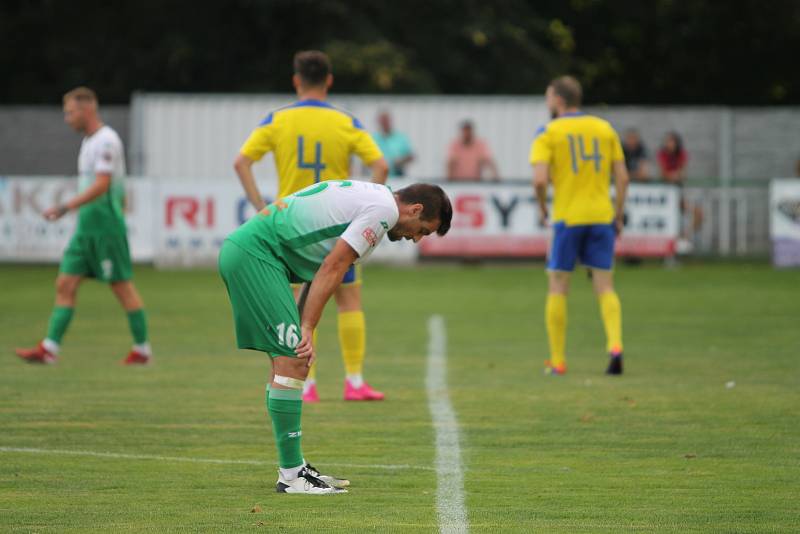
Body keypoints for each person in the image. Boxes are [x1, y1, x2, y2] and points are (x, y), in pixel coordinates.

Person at [219, 180, 452, 494]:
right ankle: (291, 476)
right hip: (256, 256)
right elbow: (333, 266)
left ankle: (294, 467)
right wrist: (307, 328)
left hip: (257, 254)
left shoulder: (374, 197)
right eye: (422, 229)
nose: (415, 239)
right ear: (415, 209)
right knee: (292, 360)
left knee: (288, 362)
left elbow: (319, 273)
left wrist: (304, 324)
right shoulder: (382, 210)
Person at [233, 51, 390, 403]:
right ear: (329, 80)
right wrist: (367, 205)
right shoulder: (346, 123)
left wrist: (261, 207)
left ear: (296, 80)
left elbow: (241, 162)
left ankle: (309, 385)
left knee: (296, 307)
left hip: (291, 228)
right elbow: (380, 165)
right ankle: (355, 381)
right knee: (349, 301)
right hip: (337, 227)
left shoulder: (277, 120)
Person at [15, 87, 151, 365]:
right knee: (65, 283)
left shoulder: (106, 140)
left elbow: (103, 185)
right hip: (86, 229)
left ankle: (142, 350)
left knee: (121, 286)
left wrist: (66, 207)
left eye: (70, 112)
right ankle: (49, 349)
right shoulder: (89, 141)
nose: (67, 118)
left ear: (87, 109)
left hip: (105, 227)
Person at [530, 76, 630, 376]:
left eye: (548, 97)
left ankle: (558, 361)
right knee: (605, 285)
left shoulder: (548, 131)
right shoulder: (604, 128)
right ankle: (615, 346)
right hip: (601, 216)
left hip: (568, 218)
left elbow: (539, 179)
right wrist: (619, 214)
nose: (547, 102)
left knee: (558, 286)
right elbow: (623, 178)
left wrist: (543, 206)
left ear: (558, 100)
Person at [657, 131, 700, 252]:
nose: (669, 144)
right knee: (670, 222)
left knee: (698, 213)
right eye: (667, 141)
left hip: (678, 195)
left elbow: (683, 173)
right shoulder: (662, 154)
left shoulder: (681, 154)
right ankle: (671, 248)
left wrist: (674, 175)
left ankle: (683, 238)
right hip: (665, 197)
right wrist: (673, 175)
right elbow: (663, 174)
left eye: (671, 141)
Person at [372, 110, 414, 178]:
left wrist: (401, 161)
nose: (385, 123)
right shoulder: (373, 138)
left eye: (386, 120)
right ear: (378, 122)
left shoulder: (401, 137)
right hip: (378, 177)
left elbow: (411, 156)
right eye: (382, 121)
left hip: (397, 177)